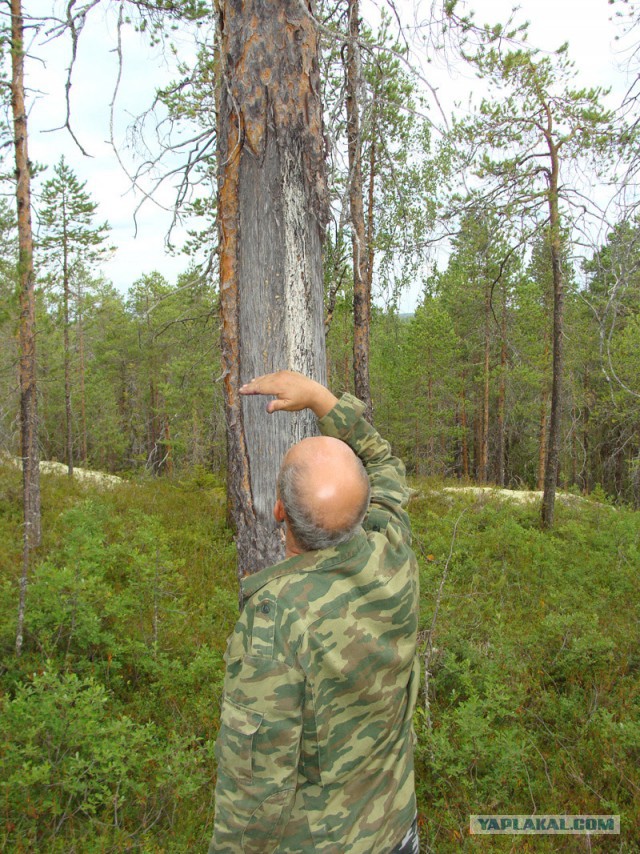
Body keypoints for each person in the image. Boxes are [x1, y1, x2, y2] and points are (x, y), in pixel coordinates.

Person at [209, 371, 420, 854]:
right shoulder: (394, 553)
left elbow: (257, 788)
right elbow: (383, 461)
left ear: (279, 510)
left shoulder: (275, 621)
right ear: (367, 506)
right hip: (396, 827)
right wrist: (322, 401)